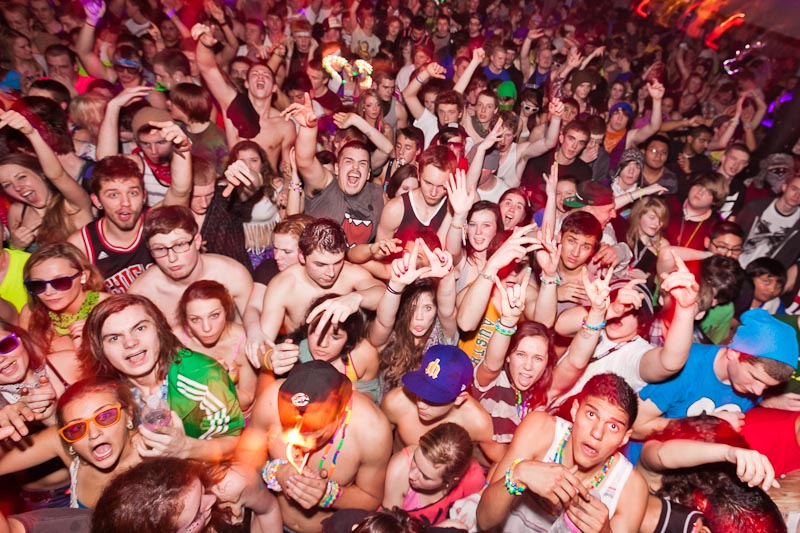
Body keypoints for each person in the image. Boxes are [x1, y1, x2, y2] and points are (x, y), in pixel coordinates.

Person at [79, 294, 245, 460]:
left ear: (159, 328)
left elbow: (233, 442)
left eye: (140, 328)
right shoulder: (102, 393)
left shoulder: (203, 375)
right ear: (99, 349)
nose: (130, 343)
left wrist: (185, 448)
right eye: (114, 338)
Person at [238, 360, 392, 533]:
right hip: (270, 520)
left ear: (339, 414)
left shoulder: (372, 430)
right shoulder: (271, 400)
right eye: (294, 433)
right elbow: (245, 455)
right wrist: (275, 472)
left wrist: (329, 494)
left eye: (315, 435)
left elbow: (371, 497)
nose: (302, 445)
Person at [633, 308, 798, 447]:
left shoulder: (749, 385)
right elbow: (636, 426)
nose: (758, 391)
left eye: (767, 386)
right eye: (755, 377)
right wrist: (705, 423)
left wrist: (767, 401)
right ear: (733, 353)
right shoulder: (686, 367)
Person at [250, 219, 384, 365]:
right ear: (302, 256)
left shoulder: (351, 273)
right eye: (320, 264)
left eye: (337, 262)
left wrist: (357, 298)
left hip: (345, 358)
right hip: (302, 361)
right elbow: (262, 345)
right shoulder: (283, 285)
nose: (331, 273)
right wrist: (271, 359)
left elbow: (384, 293)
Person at [0, 378, 141, 509]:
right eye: (76, 428)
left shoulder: (151, 453)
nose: (93, 434)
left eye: (105, 416)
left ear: (128, 414)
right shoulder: (64, 440)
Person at [283, 92, 386, 246]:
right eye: (349, 161)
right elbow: (305, 161)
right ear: (337, 168)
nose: (355, 167)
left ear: (368, 174)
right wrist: (308, 129)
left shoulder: (377, 195)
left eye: (362, 163)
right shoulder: (326, 185)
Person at [128, 205, 253, 329]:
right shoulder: (142, 293)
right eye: (160, 249)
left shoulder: (232, 274)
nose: (172, 258)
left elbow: (256, 329)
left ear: (197, 241)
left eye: (180, 245)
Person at [193, 23, 296, 172]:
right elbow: (208, 69)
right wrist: (204, 45)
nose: (260, 77)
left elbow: (288, 169)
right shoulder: (234, 107)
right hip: (236, 183)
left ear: (274, 88)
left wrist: (289, 186)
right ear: (246, 83)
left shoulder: (285, 125)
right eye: (255, 74)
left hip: (268, 184)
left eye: (266, 75)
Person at [92, 456, 283, 532]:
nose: (212, 500)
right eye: (196, 515)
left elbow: (268, 510)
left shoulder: (230, 484)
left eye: (202, 490)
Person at [369, 237, 457, 394]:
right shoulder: (392, 335)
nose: (419, 317)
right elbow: (383, 322)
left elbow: (448, 311)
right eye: (413, 308)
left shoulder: (441, 334)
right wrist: (395, 286)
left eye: (428, 308)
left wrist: (447, 277)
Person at [0, 110, 93, 251]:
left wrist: (32, 133)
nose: (17, 187)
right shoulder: (18, 212)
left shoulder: (72, 203)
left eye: (22, 177)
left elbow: (58, 175)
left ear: (41, 174)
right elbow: (14, 259)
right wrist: (16, 246)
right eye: (7, 185)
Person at [381, 345, 494, 458]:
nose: (420, 404)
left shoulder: (478, 422)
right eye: (421, 389)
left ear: (459, 398)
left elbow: (498, 461)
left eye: (433, 398)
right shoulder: (396, 402)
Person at [266, 293, 381, 403]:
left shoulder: (363, 354)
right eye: (317, 332)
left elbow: (371, 393)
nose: (323, 344)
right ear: (307, 328)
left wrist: (350, 397)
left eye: (335, 337)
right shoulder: (295, 352)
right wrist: (270, 359)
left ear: (349, 339)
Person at [176, 280, 257, 416]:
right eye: (195, 319)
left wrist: (218, 381)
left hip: (231, 418)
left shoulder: (242, 341)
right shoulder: (177, 340)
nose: (206, 328)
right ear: (186, 320)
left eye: (214, 315)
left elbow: (246, 400)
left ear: (226, 311)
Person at [20, 243, 109, 364]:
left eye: (60, 282)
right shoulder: (30, 314)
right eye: (38, 285)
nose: (49, 292)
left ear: (83, 276)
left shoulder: (107, 308)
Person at [381, 423, 485, 526]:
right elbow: (388, 528)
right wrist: (439, 529)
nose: (411, 475)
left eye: (425, 476)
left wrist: (470, 507)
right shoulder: (399, 469)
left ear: (450, 480)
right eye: (415, 460)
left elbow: (481, 501)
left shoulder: (473, 478)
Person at [736, 173, 800, 270]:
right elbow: (735, 232)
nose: (797, 195)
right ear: (784, 187)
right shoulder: (756, 207)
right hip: (737, 266)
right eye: (794, 189)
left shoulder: (798, 225)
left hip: (766, 276)